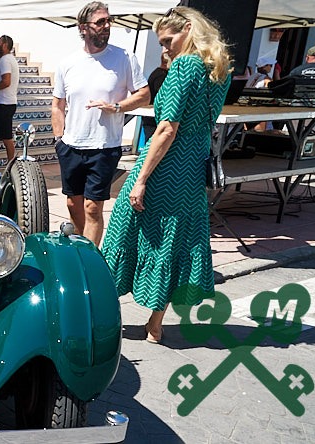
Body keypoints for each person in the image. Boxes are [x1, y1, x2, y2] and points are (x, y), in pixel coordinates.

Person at [101, 6, 232, 344]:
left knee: (124, 231)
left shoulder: (185, 65)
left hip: (166, 166)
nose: (165, 49)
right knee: (174, 239)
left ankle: (99, 317)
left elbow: (166, 128)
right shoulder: (218, 68)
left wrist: (141, 178)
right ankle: (155, 325)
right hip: (193, 165)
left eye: (168, 39)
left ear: (188, 29)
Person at [51, 1, 150, 246]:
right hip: (71, 146)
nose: (107, 26)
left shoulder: (124, 58)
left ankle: (90, 257)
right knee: (73, 204)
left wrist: (117, 107)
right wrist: (58, 140)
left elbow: (144, 94)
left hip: (104, 146)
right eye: (100, 22)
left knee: (93, 207)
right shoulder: (68, 63)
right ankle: (81, 245)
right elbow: (57, 105)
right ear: (83, 28)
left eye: (108, 21)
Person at [0, 35, 19, 160]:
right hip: (5, 103)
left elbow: (6, 82)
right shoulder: (9, 59)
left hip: (4, 104)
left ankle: (11, 164)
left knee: (7, 137)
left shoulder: (5, 60)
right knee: (4, 136)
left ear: (4, 45)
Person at [140, 53, 170, 142]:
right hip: (153, 118)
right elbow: (162, 95)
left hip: (152, 117)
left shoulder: (158, 73)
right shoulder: (161, 75)